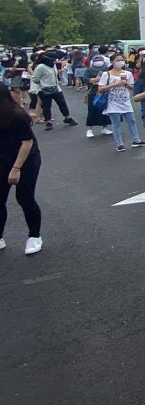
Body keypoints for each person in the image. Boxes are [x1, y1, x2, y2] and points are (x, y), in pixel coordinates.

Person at [0, 84, 44, 255]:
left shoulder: (16, 115)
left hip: (26, 159)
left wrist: (16, 169)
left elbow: (27, 142)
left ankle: (34, 236)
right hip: (3, 159)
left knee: (24, 198)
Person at [98, 53, 145, 152]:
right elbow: (101, 88)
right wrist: (115, 84)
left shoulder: (127, 74)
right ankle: (119, 144)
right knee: (116, 123)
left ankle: (136, 140)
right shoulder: (107, 74)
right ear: (112, 62)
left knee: (131, 121)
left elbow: (132, 87)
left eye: (122, 60)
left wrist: (126, 84)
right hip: (112, 102)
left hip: (125, 101)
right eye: (117, 60)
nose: (120, 62)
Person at [31, 53, 77, 131]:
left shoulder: (53, 65)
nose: (56, 60)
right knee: (46, 106)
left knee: (62, 103)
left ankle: (67, 118)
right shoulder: (41, 67)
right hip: (44, 89)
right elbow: (35, 78)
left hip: (55, 87)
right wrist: (43, 83)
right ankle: (48, 122)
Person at [84, 54, 112, 138]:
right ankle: (89, 129)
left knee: (104, 110)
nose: (98, 62)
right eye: (96, 61)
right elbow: (85, 79)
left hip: (105, 92)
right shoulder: (89, 70)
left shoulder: (107, 69)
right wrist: (98, 79)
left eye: (100, 60)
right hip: (93, 92)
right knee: (92, 110)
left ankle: (105, 127)